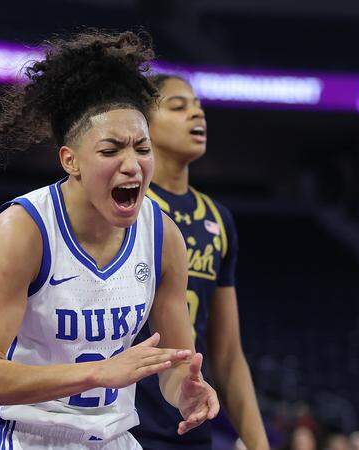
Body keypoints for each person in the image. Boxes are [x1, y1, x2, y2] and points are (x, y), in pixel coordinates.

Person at [0, 31, 219, 450]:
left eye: (142, 148)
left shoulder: (163, 236)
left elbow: (173, 363)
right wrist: (98, 374)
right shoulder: (22, 231)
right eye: (111, 150)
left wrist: (185, 392)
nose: (132, 165)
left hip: (111, 439)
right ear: (70, 160)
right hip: (20, 438)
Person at [130, 74, 269, 450]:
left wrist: (259, 445)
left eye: (198, 107)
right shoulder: (126, 206)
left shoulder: (218, 217)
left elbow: (226, 355)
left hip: (189, 422)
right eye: (178, 106)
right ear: (143, 124)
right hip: (122, 424)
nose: (197, 114)